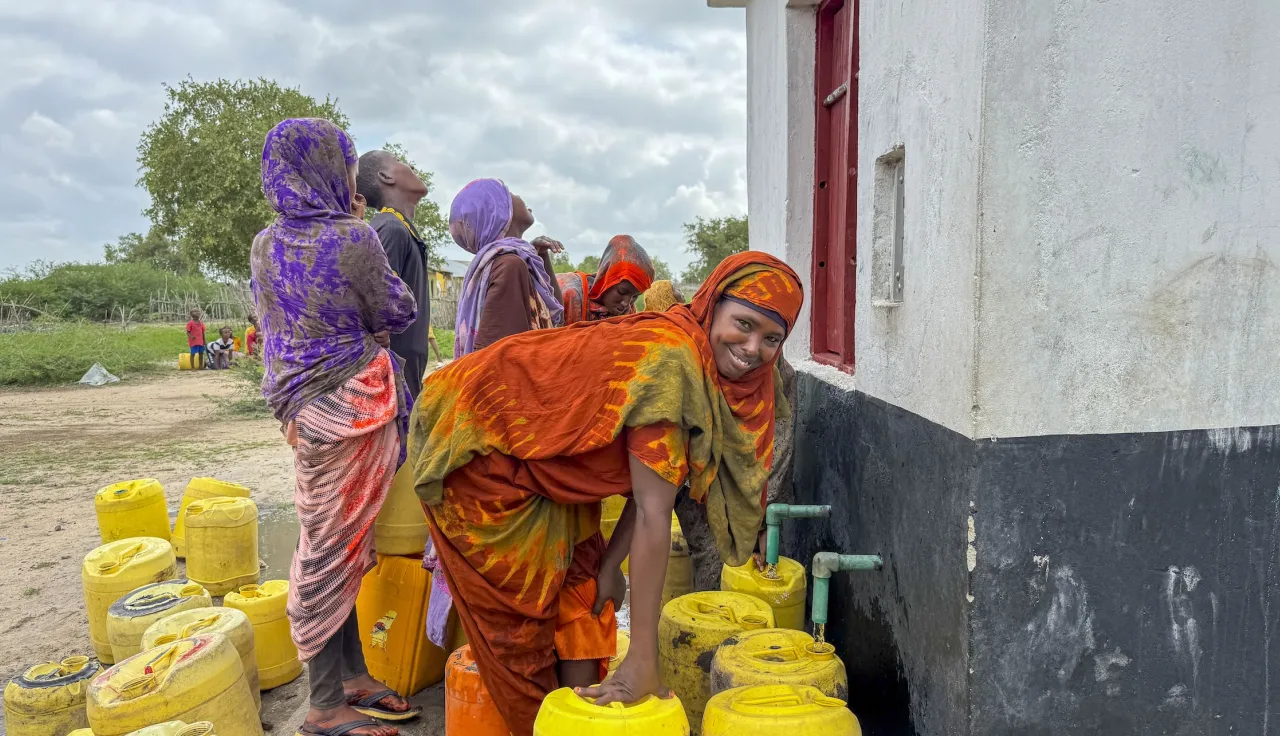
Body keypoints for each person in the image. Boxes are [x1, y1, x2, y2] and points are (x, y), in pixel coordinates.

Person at [408, 251, 803, 736]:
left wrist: (611, 564)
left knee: (583, 592)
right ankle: (538, 725)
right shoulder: (674, 360)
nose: (752, 348)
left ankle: (585, 716)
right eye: (743, 323)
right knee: (520, 632)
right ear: (712, 304)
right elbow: (656, 513)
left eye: (772, 339)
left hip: (545, 468)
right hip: (477, 454)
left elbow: (653, 487)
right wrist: (642, 662)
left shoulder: (704, 367)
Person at [250, 117, 421, 736]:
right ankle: (325, 705)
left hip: (303, 413)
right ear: (332, 169)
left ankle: (351, 676)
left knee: (336, 542)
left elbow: (271, 329)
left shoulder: (264, 245)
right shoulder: (353, 239)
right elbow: (397, 308)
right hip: (354, 409)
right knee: (329, 551)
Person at [449, 178, 565, 356]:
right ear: (498, 212)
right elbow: (497, 356)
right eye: (509, 194)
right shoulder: (510, 265)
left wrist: (541, 256)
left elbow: (554, 316)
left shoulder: (512, 261)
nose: (517, 195)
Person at [357, 151, 432, 397]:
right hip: (391, 374)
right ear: (386, 176)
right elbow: (376, 307)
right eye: (400, 162)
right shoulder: (390, 228)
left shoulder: (399, 227)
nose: (410, 165)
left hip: (403, 368)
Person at [557, 235, 655, 324]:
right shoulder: (568, 292)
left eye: (635, 297)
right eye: (622, 292)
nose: (626, 303)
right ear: (606, 278)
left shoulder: (628, 312)